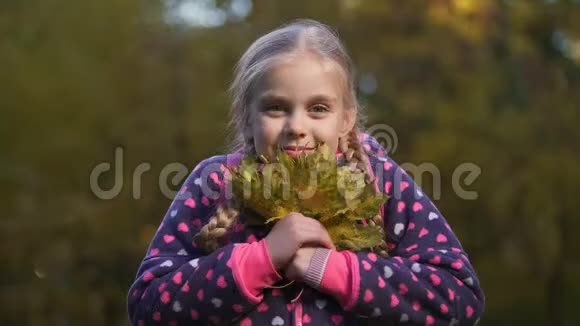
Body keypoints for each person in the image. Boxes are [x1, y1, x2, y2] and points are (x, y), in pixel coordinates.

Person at [127, 19, 485, 325]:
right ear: (247, 117)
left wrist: (330, 269)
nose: (297, 126)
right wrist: (261, 259)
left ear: (346, 119)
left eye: (317, 108)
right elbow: (147, 307)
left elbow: (460, 300)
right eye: (276, 107)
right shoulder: (215, 183)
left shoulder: (380, 183)